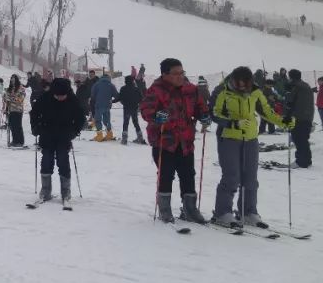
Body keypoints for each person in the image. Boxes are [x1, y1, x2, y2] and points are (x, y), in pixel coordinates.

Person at [209, 66, 290, 227]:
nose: (241, 87)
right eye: (238, 83)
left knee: (250, 178)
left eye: (245, 83)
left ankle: (248, 212)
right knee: (232, 176)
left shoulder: (256, 92)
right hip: (229, 138)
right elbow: (215, 113)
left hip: (251, 138)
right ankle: (222, 212)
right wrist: (233, 123)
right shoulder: (223, 91)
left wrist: (283, 121)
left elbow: (266, 111)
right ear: (233, 79)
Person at [140, 58, 209, 225]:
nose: (180, 76)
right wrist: (158, 116)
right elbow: (145, 111)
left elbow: (200, 106)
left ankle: (190, 209)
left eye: (182, 72)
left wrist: (204, 115)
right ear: (165, 75)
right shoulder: (156, 90)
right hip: (164, 141)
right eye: (176, 73)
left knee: (188, 174)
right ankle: (165, 209)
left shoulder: (190, 89)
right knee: (165, 175)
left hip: (185, 140)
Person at [30, 78, 85, 204]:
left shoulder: (72, 100)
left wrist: (74, 131)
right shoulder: (45, 98)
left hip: (64, 136)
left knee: (63, 161)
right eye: (58, 96)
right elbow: (34, 113)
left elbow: (81, 118)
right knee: (46, 161)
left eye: (63, 96)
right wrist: (35, 127)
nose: (61, 98)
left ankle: (66, 191)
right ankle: (46, 190)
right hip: (47, 134)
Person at [282, 69, 314, 168]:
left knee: (299, 139)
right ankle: (307, 160)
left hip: (298, 117)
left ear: (291, 77)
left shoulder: (296, 87)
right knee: (304, 139)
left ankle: (301, 162)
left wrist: (287, 93)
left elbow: (289, 102)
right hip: (307, 116)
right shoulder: (306, 85)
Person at [116, 75, 146, 145]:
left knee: (125, 123)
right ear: (132, 81)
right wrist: (137, 103)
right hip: (134, 108)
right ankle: (140, 138)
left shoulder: (123, 88)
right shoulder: (136, 89)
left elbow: (119, 97)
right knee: (136, 123)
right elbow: (141, 98)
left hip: (126, 108)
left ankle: (124, 139)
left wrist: (112, 101)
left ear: (126, 81)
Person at [89, 73, 116, 141]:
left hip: (98, 105)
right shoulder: (111, 85)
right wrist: (111, 101)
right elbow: (116, 95)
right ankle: (109, 134)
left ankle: (99, 136)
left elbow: (92, 95)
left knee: (98, 120)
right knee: (107, 120)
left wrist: (96, 100)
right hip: (107, 106)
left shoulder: (97, 84)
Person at [2, 74, 27, 147]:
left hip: (18, 109)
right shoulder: (10, 88)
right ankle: (15, 140)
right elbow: (7, 98)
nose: (12, 81)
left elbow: (20, 99)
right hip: (11, 109)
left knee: (18, 126)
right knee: (12, 126)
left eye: (14, 80)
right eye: (11, 80)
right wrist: (5, 97)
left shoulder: (21, 88)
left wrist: (11, 98)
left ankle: (20, 141)